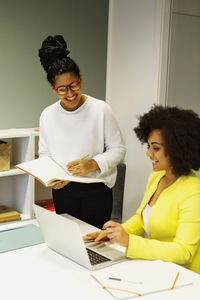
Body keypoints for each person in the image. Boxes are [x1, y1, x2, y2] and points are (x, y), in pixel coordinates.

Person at [84, 105, 200, 274]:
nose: (149, 154)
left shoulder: (193, 192)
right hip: (157, 266)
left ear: (177, 149)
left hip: (183, 275)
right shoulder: (157, 177)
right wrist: (114, 233)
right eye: (149, 146)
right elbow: (141, 219)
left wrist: (129, 241)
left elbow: (184, 252)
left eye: (156, 148)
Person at [38, 35, 126, 229]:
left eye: (74, 85)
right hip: (63, 190)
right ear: (53, 89)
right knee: (68, 243)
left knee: (94, 245)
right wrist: (52, 178)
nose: (70, 94)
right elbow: (45, 154)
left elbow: (118, 149)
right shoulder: (47, 115)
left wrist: (93, 164)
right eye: (62, 89)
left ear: (81, 79)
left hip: (96, 189)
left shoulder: (101, 109)